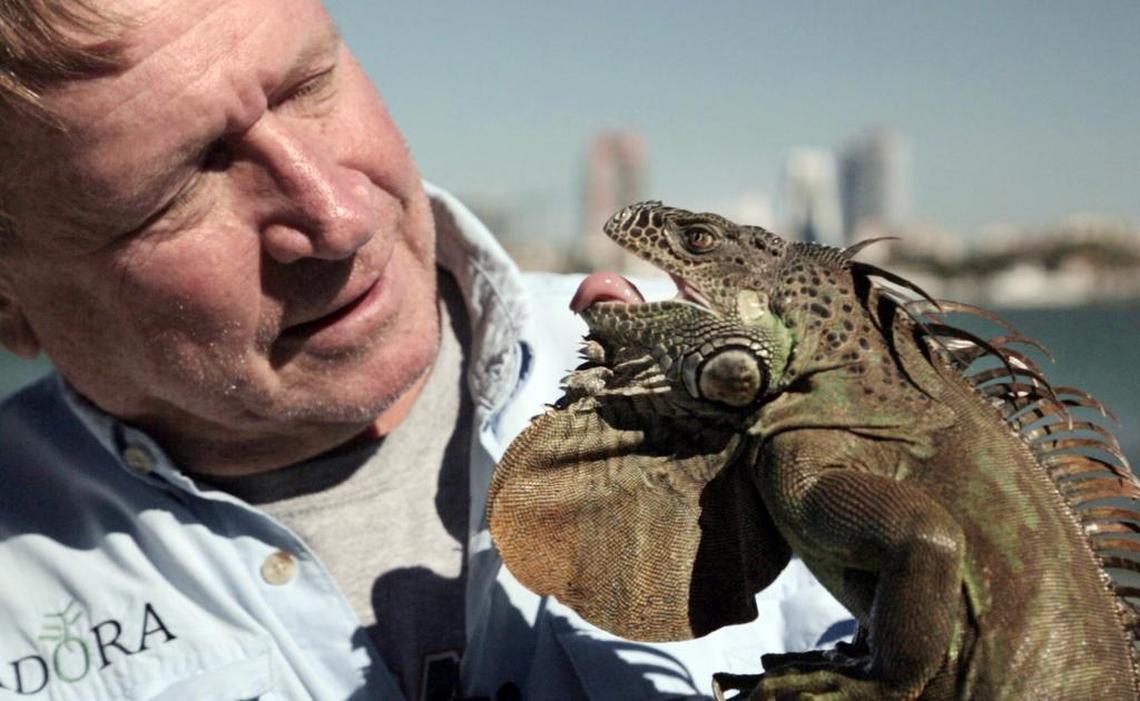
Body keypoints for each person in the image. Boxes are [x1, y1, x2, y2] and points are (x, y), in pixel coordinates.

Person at [0, 1, 852, 699]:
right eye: (181, 185)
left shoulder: (768, 382)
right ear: (12, 304)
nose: (336, 218)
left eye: (308, 84)